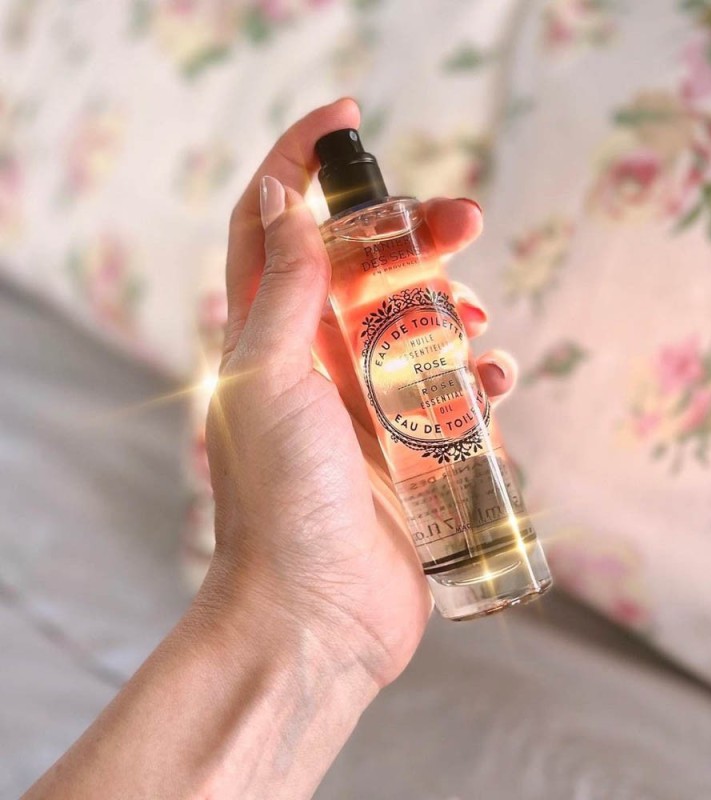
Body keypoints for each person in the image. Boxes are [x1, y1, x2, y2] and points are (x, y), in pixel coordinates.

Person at [23, 98, 519, 799]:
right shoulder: (341, 246)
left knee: (449, 379)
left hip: (452, 532)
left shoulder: (398, 223)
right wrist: (302, 608)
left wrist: (314, 619)